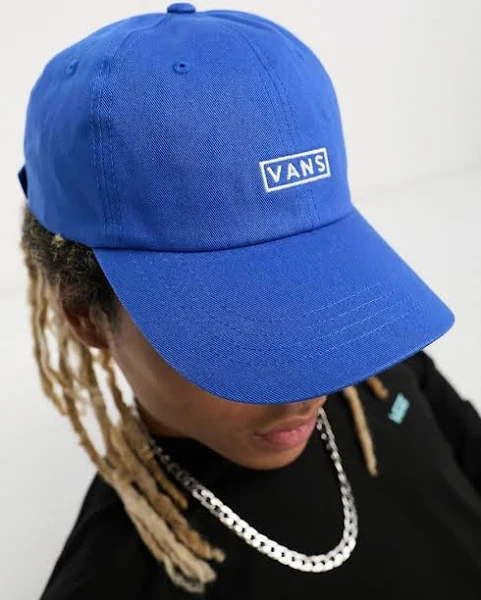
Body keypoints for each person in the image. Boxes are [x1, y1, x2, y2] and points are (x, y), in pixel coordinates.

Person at [17, 4, 481, 599]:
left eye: (319, 288)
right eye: (238, 330)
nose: (312, 384)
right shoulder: (113, 580)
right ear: (86, 315)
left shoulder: (379, 371)